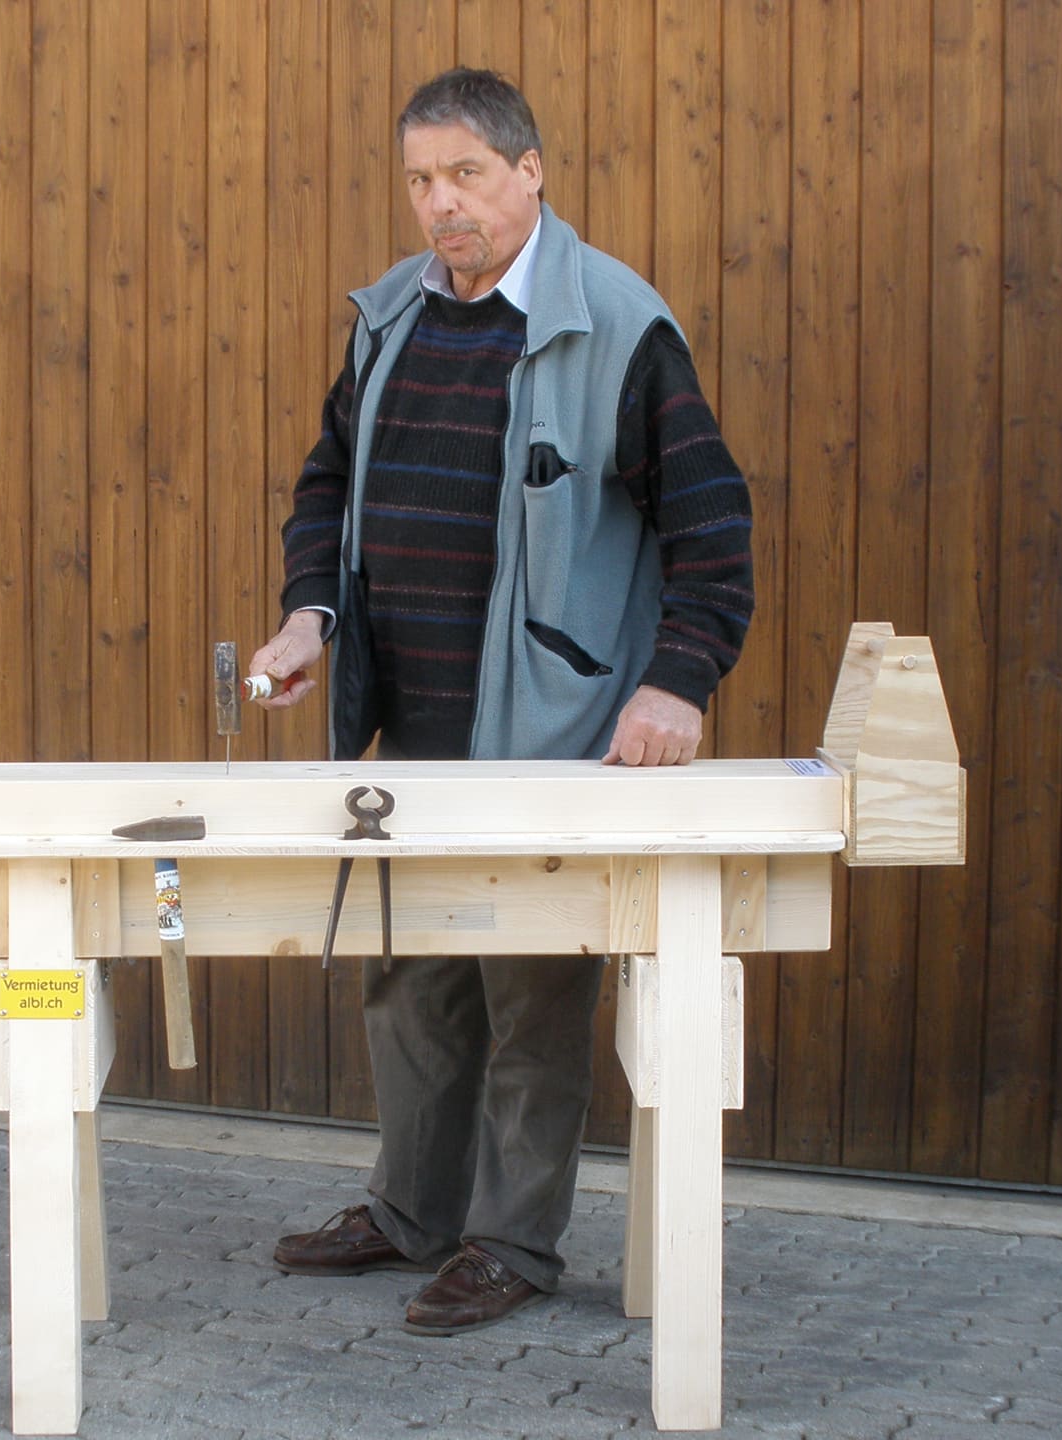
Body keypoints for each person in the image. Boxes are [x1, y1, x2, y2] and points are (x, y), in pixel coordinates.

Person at [247, 68, 754, 1337]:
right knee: (411, 985)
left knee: (533, 997)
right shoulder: (391, 319)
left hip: (549, 740)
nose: (441, 204)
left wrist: (676, 682)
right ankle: (412, 1212)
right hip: (410, 735)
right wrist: (311, 616)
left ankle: (514, 1243)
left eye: (466, 174)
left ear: (531, 171)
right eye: (421, 180)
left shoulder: (618, 325)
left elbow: (714, 530)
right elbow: (328, 487)